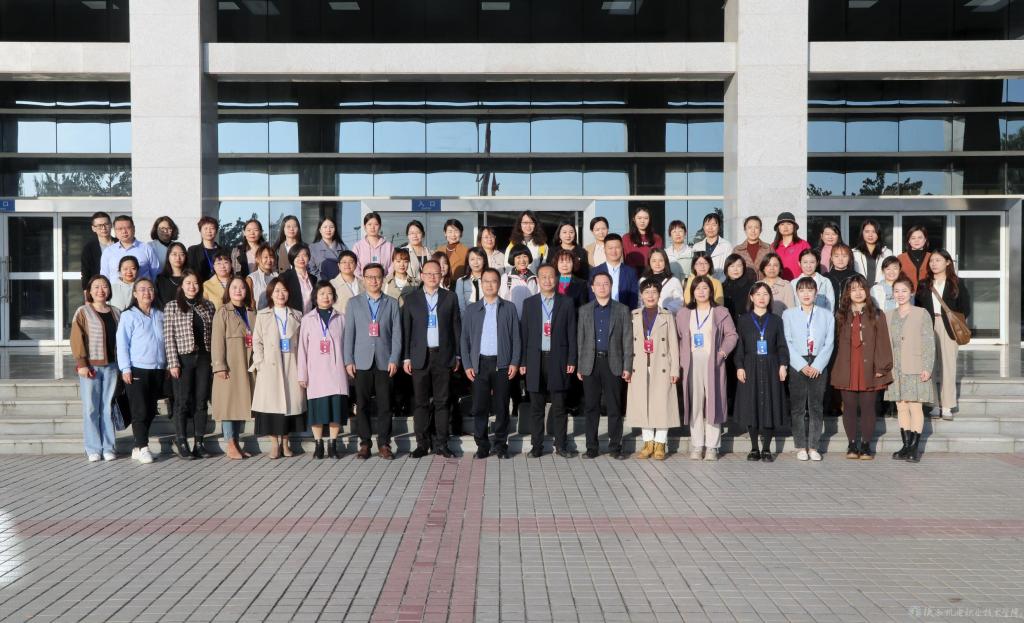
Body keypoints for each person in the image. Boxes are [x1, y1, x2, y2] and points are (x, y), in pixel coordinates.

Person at [831, 275, 894, 460]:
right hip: (847, 365)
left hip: (870, 365)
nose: (858, 293)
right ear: (847, 293)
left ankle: (866, 445)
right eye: (853, 289)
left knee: (868, 407)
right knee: (849, 407)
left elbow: (883, 342)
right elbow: (834, 343)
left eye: (861, 289)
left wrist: (882, 366)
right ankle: (852, 444)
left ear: (866, 291)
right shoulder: (841, 315)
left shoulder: (877, 314)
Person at [403, 260, 461, 458]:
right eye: (428, 273)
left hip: (443, 355)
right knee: (420, 402)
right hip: (420, 356)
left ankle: (441, 443)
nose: (432, 277)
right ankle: (422, 444)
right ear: (421, 275)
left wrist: (457, 355)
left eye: (436, 273)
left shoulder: (450, 297)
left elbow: (456, 327)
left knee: (442, 401)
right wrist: (406, 358)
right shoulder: (411, 299)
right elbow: (407, 330)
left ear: (441, 275)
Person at [461, 268, 521, 459]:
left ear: (499, 284)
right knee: (480, 407)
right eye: (486, 281)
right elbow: (464, 340)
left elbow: (516, 338)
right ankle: (482, 445)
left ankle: (501, 445)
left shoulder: (509, 308)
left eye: (493, 281)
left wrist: (514, 362)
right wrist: (467, 365)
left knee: (502, 406)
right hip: (479, 364)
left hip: (502, 364)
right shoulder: (472, 309)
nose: (489, 285)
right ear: (481, 284)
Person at [676, 275, 737, 461]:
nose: (701, 292)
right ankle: (697, 444)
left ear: (711, 291)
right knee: (694, 403)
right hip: (691, 362)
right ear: (692, 292)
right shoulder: (683, 313)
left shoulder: (720, 312)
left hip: (713, 363)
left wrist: (722, 353)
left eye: (705, 288)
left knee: (713, 402)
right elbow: (678, 338)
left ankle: (712, 446)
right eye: (697, 288)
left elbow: (732, 335)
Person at [344, 264, 402, 460]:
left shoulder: (392, 303)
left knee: (385, 405)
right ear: (363, 279)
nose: (373, 280)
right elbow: (349, 334)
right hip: (361, 361)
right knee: (362, 405)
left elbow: (397, 334)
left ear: (383, 279)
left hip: (385, 361)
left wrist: (394, 358)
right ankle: (365, 443)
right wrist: (348, 360)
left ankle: (384, 443)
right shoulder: (354, 303)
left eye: (377, 277)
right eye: (369, 277)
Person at [520, 265, 578, 458]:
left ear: (557, 279)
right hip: (535, 360)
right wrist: (523, 361)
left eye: (551, 277)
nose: (547, 280)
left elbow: (572, 332)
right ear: (537, 280)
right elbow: (524, 334)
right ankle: (536, 446)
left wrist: (572, 358)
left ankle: (561, 445)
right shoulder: (529, 303)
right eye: (543, 277)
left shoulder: (567, 302)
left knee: (559, 406)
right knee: (536, 407)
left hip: (558, 359)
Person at [576, 272, 632, 460]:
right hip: (590, 363)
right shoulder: (584, 310)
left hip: (613, 362)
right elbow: (580, 339)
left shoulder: (622, 310)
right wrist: (579, 365)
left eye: (605, 283)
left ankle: (615, 447)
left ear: (611, 286)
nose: (602, 287)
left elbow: (627, 340)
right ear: (592, 288)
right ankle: (592, 447)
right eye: (598, 284)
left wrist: (627, 365)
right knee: (591, 407)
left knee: (614, 406)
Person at [250, 278, 306, 459]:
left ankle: (286, 443)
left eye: (284, 290)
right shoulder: (263, 314)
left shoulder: (297, 315)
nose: (280, 294)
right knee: (271, 407)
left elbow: (303, 342)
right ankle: (274, 444)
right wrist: (260, 362)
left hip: (291, 363)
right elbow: (257, 341)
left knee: (290, 405)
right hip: (270, 365)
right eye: (276, 291)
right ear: (270, 294)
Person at [734, 282, 789, 462]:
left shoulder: (776, 320)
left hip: (771, 366)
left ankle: (766, 448)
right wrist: (739, 366)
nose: (761, 297)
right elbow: (740, 347)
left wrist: (783, 364)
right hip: (750, 366)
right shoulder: (743, 320)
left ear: (770, 297)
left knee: (769, 405)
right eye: (757, 294)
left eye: (765, 294)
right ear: (751, 297)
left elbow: (782, 345)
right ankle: (754, 448)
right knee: (752, 405)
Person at [163, 270, 215, 460]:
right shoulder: (172, 307)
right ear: (181, 286)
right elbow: (168, 337)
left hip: (204, 358)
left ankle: (199, 442)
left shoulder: (207, 306)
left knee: (201, 401)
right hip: (183, 359)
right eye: (188, 283)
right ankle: (182, 441)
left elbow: (213, 333)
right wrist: (173, 363)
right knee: (182, 401)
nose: (192, 287)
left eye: (195, 283)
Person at [626, 280, 680, 461]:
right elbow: (627, 344)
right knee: (643, 404)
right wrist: (627, 367)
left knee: (662, 404)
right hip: (639, 365)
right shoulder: (634, 315)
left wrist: (675, 369)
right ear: (641, 295)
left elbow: (673, 344)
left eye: (654, 292)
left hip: (662, 366)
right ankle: (647, 442)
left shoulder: (667, 316)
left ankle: (660, 443)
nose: (650, 296)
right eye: (647, 292)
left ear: (659, 295)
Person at [783, 277, 835, 462]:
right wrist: (801, 364)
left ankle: (813, 446)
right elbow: (787, 341)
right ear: (797, 293)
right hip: (798, 362)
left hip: (818, 362)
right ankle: (800, 446)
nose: (806, 294)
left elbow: (829, 342)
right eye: (802, 290)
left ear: (816, 293)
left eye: (810, 290)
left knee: (815, 406)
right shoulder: (788, 314)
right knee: (797, 407)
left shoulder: (826, 315)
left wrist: (818, 365)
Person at [915, 249, 970, 421]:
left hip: (948, 328)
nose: (934, 263)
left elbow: (965, 307)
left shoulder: (956, 283)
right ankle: (933, 405)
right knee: (929, 365)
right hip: (928, 326)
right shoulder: (923, 284)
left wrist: (954, 321)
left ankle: (947, 406)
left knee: (948, 366)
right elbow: (918, 306)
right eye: (931, 260)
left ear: (947, 262)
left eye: (938, 260)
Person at [885, 276, 935, 463]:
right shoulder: (888, 315)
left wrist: (927, 367)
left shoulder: (921, 313)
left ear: (911, 292)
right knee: (901, 406)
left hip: (915, 366)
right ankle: (905, 446)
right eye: (897, 291)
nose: (900, 294)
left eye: (904, 291)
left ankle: (915, 447)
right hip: (896, 367)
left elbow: (928, 342)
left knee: (915, 406)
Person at [71, 275, 121, 462]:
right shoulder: (83, 311)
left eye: (104, 286)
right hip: (91, 367)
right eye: (96, 287)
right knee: (91, 408)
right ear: (90, 291)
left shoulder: (116, 312)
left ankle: (108, 447)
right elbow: (76, 339)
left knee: (107, 408)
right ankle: (93, 448)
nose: (101, 290)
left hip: (112, 366)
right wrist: (82, 364)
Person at [116, 279, 165, 464]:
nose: (147, 293)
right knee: (140, 410)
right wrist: (125, 368)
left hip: (158, 368)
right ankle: (143, 447)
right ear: (135, 294)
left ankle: (137, 447)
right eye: (142, 289)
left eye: (150, 289)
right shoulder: (128, 315)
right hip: (137, 368)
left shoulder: (160, 314)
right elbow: (122, 343)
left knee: (151, 410)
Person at [298, 281, 348, 460]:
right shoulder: (307, 319)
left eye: (329, 293)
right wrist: (302, 374)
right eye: (322, 294)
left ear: (334, 296)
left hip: (337, 371)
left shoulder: (341, 318)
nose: (326, 297)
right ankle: (318, 444)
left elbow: (347, 345)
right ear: (315, 297)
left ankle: (333, 444)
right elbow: (302, 349)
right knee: (317, 411)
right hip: (316, 373)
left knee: (336, 410)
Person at [211, 276, 256, 460]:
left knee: (239, 405)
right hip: (230, 365)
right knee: (228, 405)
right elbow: (217, 341)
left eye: (242, 287)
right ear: (228, 290)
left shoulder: (251, 312)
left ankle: (236, 443)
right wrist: (219, 366)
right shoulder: (223, 312)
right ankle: (230, 444)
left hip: (246, 364)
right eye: (234, 287)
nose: (238, 290)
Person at [100, 215, 161, 283]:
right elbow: (104, 277)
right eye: (120, 229)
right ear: (115, 231)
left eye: (127, 228)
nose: (124, 231)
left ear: (134, 228)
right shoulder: (108, 251)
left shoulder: (146, 249)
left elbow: (156, 274)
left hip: (142, 289)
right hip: (116, 289)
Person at [590, 234, 639, 309]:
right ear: (604, 250)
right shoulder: (594, 271)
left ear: (622, 249)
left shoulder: (631, 272)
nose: (614, 251)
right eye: (610, 248)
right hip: (600, 313)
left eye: (617, 248)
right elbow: (592, 296)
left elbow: (634, 298)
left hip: (624, 313)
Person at [499, 244, 539, 316]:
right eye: (518, 257)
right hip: (513, 318)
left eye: (525, 256)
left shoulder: (535, 279)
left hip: (531, 318)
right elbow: (503, 300)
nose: (522, 260)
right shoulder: (506, 278)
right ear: (513, 259)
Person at [641, 248, 685, 314]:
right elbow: (639, 301)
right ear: (649, 262)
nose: (657, 264)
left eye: (661, 260)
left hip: (667, 317)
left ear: (665, 262)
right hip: (647, 316)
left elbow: (679, 301)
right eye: (654, 261)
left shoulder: (674, 281)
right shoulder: (643, 280)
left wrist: (666, 310)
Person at [186, 216, 228, 284]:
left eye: (212, 228)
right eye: (205, 228)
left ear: (216, 231)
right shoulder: (193, 250)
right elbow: (190, 271)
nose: (209, 231)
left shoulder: (224, 251)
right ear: (200, 230)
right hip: (200, 285)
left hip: (220, 286)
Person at [852, 219, 895, 284]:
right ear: (862, 233)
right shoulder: (854, 253)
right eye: (867, 231)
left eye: (874, 232)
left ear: (878, 233)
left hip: (881, 288)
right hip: (860, 288)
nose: (870, 235)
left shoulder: (887, 252)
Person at [81, 211, 114, 294]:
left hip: (118, 288)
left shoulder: (120, 244)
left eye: (106, 224)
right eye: (99, 225)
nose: (103, 228)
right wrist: (87, 294)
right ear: (93, 228)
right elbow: (86, 273)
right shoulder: (89, 248)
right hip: (99, 291)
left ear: (111, 225)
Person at [771, 212, 811, 280]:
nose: (785, 227)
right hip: (778, 284)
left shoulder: (803, 245)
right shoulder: (773, 246)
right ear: (778, 228)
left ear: (794, 226)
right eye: (782, 224)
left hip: (799, 284)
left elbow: (810, 266)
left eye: (789, 224)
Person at [622, 206, 663, 273]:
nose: (642, 221)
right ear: (634, 219)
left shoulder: (657, 238)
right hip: (631, 274)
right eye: (639, 218)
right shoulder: (626, 238)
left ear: (650, 220)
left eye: (646, 218)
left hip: (651, 274)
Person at [690, 213, 731, 279]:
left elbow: (729, 268)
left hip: (722, 283)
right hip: (701, 283)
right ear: (703, 227)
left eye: (714, 225)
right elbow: (693, 268)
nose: (710, 228)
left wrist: (718, 283)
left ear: (719, 227)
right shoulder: (696, 247)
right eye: (707, 224)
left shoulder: (727, 245)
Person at [352, 212, 393, 277]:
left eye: (376, 224)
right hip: (363, 282)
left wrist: (386, 280)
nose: (372, 227)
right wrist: (362, 280)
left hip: (385, 282)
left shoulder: (389, 246)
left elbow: (393, 266)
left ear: (380, 226)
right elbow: (354, 266)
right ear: (365, 227)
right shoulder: (358, 246)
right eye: (369, 224)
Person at [308, 216, 347, 280]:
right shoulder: (312, 248)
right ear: (320, 230)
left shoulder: (343, 248)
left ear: (335, 229)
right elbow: (311, 268)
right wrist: (323, 281)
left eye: (331, 227)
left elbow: (347, 268)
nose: (328, 230)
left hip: (340, 283)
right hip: (320, 283)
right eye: (325, 227)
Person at [280, 244, 315, 313]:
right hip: (292, 316)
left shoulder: (313, 278)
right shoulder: (285, 277)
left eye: (304, 255)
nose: (301, 259)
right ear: (292, 258)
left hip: (310, 317)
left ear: (308, 257)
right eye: (297, 256)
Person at [721, 254, 756, 321]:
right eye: (732, 266)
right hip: (726, 323)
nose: (735, 269)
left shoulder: (751, 286)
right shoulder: (722, 287)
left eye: (739, 266)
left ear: (743, 268)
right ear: (726, 268)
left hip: (745, 322)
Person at [455, 246, 489, 314]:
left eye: (479, 258)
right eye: (472, 259)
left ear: (484, 261)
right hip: (468, 317)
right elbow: (461, 306)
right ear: (468, 261)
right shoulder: (461, 281)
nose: (476, 262)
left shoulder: (490, 280)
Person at [897, 225, 932, 290]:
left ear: (925, 240)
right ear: (909, 240)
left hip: (928, 293)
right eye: (913, 238)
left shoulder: (932, 257)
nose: (916, 240)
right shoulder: (900, 258)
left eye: (920, 238)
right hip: (907, 294)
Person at [329, 250, 363, 316]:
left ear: (356, 265)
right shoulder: (331, 284)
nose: (347, 265)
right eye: (344, 262)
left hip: (362, 319)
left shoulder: (363, 284)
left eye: (351, 262)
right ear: (339, 265)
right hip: (341, 320)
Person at [246, 243, 278, 310]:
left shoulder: (277, 276)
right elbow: (250, 304)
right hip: (259, 315)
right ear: (257, 259)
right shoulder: (251, 278)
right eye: (265, 257)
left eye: (271, 257)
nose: (269, 260)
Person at [156, 242, 188, 308]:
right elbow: (159, 303)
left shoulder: (190, 277)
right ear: (168, 256)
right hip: (166, 313)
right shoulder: (160, 279)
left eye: (181, 254)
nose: (178, 258)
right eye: (174, 254)